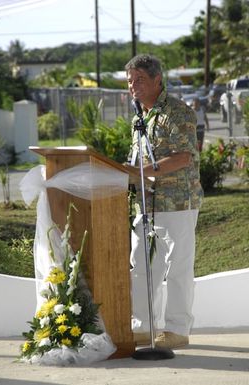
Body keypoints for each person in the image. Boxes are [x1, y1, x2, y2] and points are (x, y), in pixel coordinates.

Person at [124, 54, 204, 349]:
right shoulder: (138, 117)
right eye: (130, 81)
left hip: (177, 203)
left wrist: (142, 171)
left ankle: (177, 330)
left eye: (140, 80)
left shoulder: (178, 112)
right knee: (143, 267)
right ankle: (144, 327)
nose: (133, 86)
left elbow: (183, 157)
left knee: (178, 266)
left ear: (158, 80)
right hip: (146, 206)